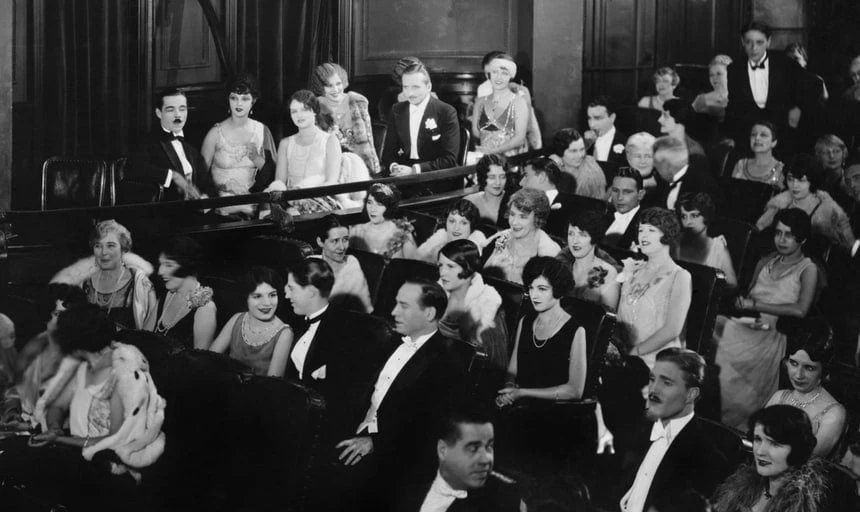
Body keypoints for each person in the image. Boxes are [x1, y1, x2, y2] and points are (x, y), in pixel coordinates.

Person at [0, 303, 166, 510]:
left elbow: (116, 441)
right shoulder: (83, 363)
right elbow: (57, 405)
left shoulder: (123, 376)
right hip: (75, 450)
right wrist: (54, 428)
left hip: (112, 468)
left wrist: (59, 439)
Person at [334, 280, 467, 500]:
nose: (394, 312)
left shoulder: (446, 364)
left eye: (403, 306)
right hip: (358, 428)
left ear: (429, 313)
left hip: (397, 454)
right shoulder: (388, 341)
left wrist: (375, 442)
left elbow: (429, 429)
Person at [715, 208, 819, 430]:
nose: (781, 240)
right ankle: (712, 410)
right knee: (716, 325)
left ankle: (733, 422)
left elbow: (801, 310)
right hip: (749, 323)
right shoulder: (766, 261)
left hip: (772, 331)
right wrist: (742, 303)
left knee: (723, 334)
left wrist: (756, 305)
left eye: (788, 235)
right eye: (778, 233)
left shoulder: (808, 269)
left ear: (802, 239)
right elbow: (748, 294)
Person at [620, 348, 731, 512]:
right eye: (652, 379)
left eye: (666, 383)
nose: (653, 390)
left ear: (691, 395)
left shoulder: (707, 458)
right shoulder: (638, 428)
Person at [283, 259, 389, 428]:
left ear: (311, 292)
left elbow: (346, 396)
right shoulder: (295, 321)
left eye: (291, 288)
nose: (286, 295)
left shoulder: (345, 330)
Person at [497, 256, 587, 406]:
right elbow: (512, 371)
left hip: (551, 409)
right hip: (519, 404)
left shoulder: (576, 330)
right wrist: (509, 389)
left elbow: (574, 391)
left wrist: (522, 392)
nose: (534, 295)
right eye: (531, 288)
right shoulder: (526, 320)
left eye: (542, 289)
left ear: (558, 290)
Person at [399, 400, 520, 512]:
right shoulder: (408, 493)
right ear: (443, 450)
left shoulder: (505, 499)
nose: (485, 459)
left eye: (489, 447)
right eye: (473, 449)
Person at [712, 405, 838, 512]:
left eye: (774, 444)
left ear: (797, 449)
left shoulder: (804, 504)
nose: (760, 451)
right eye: (758, 439)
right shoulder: (742, 485)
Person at [1, 284, 86, 427]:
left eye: (69, 315)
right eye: (57, 314)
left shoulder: (84, 352)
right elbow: (16, 388)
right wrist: (12, 413)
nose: (64, 321)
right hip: (25, 427)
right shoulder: (36, 346)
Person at [617, 208, 692, 369]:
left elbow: (672, 330)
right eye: (641, 230)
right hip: (625, 357)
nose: (643, 236)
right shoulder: (634, 269)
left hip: (657, 361)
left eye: (651, 230)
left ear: (667, 234)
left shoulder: (680, 276)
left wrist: (634, 353)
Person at [51, 220, 157, 331]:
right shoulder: (83, 282)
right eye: (98, 246)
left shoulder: (140, 282)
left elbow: (150, 329)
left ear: (123, 249)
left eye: (111, 246)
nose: (103, 252)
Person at [200, 73, 277, 218]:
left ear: (253, 101)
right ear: (228, 99)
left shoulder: (262, 131)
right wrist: (220, 190)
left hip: (252, 203)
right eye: (234, 98)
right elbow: (200, 176)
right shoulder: (215, 133)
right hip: (220, 205)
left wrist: (256, 158)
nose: (238, 104)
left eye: (245, 98)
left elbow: (274, 175)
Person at [765, 326, 846, 459]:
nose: (798, 375)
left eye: (809, 368)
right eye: (793, 363)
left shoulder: (834, 413)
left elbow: (808, 460)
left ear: (824, 371)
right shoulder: (779, 396)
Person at [269, 89, 354, 214]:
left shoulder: (330, 141)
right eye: (294, 111)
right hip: (291, 202)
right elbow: (279, 183)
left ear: (314, 111)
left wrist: (304, 197)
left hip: (322, 202)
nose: (299, 115)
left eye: (304, 110)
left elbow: (331, 182)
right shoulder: (285, 143)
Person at [725, 21, 807, 151]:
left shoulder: (786, 64)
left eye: (759, 42)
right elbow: (733, 105)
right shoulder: (734, 69)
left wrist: (798, 108)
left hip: (781, 132)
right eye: (748, 42)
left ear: (768, 41)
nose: (754, 48)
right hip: (747, 134)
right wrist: (731, 136)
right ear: (742, 42)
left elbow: (812, 86)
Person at [124, 88, 217, 201]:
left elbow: (209, 187)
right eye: (170, 109)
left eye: (182, 109)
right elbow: (133, 170)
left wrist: (203, 199)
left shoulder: (192, 147)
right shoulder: (147, 143)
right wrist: (173, 176)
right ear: (159, 113)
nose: (178, 115)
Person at [437, 240, 508, 371]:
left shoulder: (487, 305)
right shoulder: (436, 294)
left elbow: (493, 361)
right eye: (440, 265)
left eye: (450, 266)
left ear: (468, 267)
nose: (442, 273)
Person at [208, 266, 293, 377]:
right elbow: (209, 359)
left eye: (272, 295)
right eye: (257, 296)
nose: (267, 303)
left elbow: (273, 384)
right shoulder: (237, 319)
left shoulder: (285, 333)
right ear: (246, 298)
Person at [756, 158, 855, 251]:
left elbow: (848, 242)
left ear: (811, 180)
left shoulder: (826, 207)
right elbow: (759, 228)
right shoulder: (781, 202)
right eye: (790, 179)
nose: (794, 185)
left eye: (801, 180)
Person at [381, 62, 460, 176]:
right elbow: (388, 153)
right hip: (401, 175)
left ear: (428, 87)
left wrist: (414, 170)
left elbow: (449, 160)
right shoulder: (397, 110)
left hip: (434, 176)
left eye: (416, 87)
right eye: (405, 87)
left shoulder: (446, 112)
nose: (410, 93)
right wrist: (394, 167)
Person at [310, 62, 380, 175]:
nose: (335, 89)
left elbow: (368, 140)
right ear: (321, 87)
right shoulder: (315, 108)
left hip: (360, 166)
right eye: (329, 86)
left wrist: (373, 169)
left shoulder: (358, 101)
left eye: (338, 83)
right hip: (329, 167)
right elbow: (317, 148)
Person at [482, 188, 562, 284]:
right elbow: (484, 275)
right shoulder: (505, 237)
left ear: (537, 219)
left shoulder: (549, 251)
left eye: (523, 217)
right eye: (512, 214)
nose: (514, 222)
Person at [152, 237, 217, 349]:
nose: (160, 271)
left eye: (168, 265)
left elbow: (199, 358)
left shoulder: (205, 309)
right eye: (161, 264)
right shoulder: (167, 295)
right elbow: (143, 337)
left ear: (187, 266)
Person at [475, 50, 542, 151]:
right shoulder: (484, 89)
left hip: (517, 146)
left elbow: (528, 126)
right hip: (491, 145)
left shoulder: (520, 91)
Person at [557, 210, 621, 310]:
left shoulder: (608, 273)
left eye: (582, 235)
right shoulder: (561, 267)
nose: (575, 241)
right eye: (571, 234)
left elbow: (608, 316)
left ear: (594, 238)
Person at [676, 193, 738, 288]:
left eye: (694, 215)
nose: (688, 222)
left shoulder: (717, 248)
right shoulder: (674, 242)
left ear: (706, 216)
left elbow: (732, 285)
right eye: (684, 216)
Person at [313, 214, 373, 313]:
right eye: (335, 241)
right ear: (320, 242)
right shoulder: (311, 263)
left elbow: (363, 310)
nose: (342, 247)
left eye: (345, 239)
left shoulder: (351, 265)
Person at [650, 136, 722, 211]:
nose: (655, 169)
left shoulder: (703, 184)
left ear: (668, 165)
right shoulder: (663, 183)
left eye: (657, 164)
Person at [348, 183, 418, 259]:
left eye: (379, 204)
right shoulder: (356, 232)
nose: (373, 209)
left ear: (389, 207)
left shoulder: (402, 233)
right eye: (370, 202)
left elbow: (414, 264)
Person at [518, 157, 577, 237]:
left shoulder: (570, 209)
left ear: (541, 177)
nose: (521, 183)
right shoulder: (524, 206)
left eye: (526, 175)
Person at [415, 199, 488, 263]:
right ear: (446, 222)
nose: (456, 228)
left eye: (464, 223)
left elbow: (459, 264)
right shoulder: (442, 233)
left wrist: (435, 255)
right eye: (452, 221)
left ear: (472, 225)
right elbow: (417, 257)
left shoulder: (477, 238)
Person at [548, 128, 607, 199]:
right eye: (573, 151)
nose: (580, 155)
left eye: (582, 149)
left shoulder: (590, 175)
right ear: (560, 152)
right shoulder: (553, 166)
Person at [730, 120, 785, 189]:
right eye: (753, 134)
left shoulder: (780, 170)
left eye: (763, 135)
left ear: (773, 142)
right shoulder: (740, 165)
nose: (757, 138)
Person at [464, 153, 512, 226]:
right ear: (482, 177)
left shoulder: (512, 202)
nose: (498, 182)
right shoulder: (469, 202)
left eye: (502, 177)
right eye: (492, 177)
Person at [585, 95, 627, 177]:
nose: (592, 124)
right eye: (589, 118)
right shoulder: (583, 142)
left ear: (612, 118)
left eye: (597, 118)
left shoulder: (625, 143)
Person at [605, 167, 646, 250]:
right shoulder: (604, 214)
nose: (619, 198)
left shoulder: (646, 224)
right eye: (615, 190)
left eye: (627, 192)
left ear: (640, 194)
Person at [692, 55, 732, 121]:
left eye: (719, 74)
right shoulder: (701, 99)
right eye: (711, 75)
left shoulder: (740, 99)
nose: (714, 78)